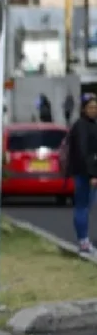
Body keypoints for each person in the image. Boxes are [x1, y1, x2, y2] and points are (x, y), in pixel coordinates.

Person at [66, 94, 97, 254]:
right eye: (90, 107)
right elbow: (84, 153)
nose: (94, 110)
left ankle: (84, 240)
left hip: (88, 173)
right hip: (84, 174)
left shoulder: (90, 124)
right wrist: (92, 175)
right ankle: (83, 241)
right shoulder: (82, 126)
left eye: (95, 107)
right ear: (84, 108)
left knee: (86, 206)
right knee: (82, 207)